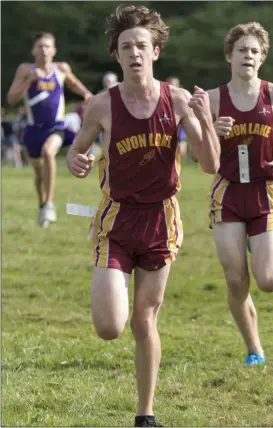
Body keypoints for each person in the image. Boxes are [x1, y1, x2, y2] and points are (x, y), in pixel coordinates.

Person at [66, 4, 220, 426]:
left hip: (161, 220)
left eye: (142, 45)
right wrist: (75, 161)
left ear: (156, 50)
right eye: (126, 46)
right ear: (116, 55)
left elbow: (209, 164)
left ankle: (145, 414)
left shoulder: (178, 100)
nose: (134, 53)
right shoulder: (101, 105)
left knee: (144, 318)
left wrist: (205, 123)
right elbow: (76, 150)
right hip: (117, 221)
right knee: (110, 326)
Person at [207, 22, 273, 366]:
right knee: (236, 279)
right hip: (228, 193)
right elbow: (197, 155)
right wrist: (211, 132)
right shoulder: (213, 99)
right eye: (241, 50)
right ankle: (254, 348)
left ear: (262, 57)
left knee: (268, 281)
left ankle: (258, 239)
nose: (247, 56)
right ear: (229, 56)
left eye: (254, 51)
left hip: (265, 191)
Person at [7, 31, 92, 227]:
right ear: (33, 50)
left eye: (47, 46)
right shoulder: (25, 70)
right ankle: (43, 204)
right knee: (38, 175)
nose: (44, 50)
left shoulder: (61, 69)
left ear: (54, 50)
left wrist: (88, 95)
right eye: (40, 46)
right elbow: (11, 98)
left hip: (56, 127)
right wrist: (29, 80)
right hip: (33, 129)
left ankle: (50, 203)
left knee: (48, 153)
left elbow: (75, 84)